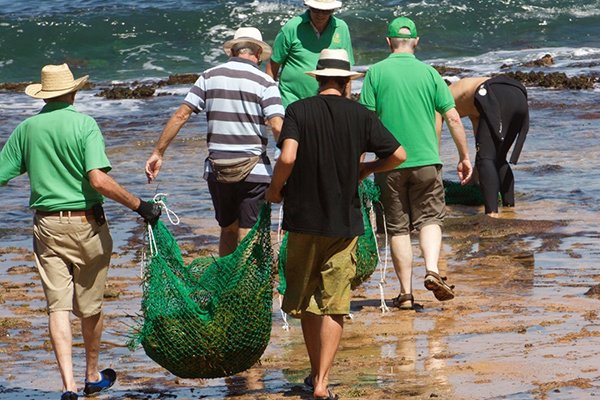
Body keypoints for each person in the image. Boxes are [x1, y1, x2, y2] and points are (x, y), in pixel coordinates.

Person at [0, 63, 161, 400]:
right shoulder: (84, 124)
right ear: (73, 91)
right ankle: (91, 375)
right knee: (89, 306)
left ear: (45, 94)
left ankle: (69, 387)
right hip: (87, 225)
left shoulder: (27, 129)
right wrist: (140, 205)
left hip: (47, 225)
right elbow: (98, 180)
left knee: (57, 308)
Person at [266, 49, 406, 400]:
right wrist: (367, 169)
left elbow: (287, 156)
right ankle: (323, 383)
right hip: (344, 223)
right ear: (347, 83)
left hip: (302, 220)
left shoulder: (298, 110)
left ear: (317, 80)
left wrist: (274, 189)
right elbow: (399, 155)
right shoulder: (361, 115)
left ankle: (314, 374)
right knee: (335, 303)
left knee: (307, 303)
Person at [359, 17, 473, 310]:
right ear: (417, 42)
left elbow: (365, 123)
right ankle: (433, 269)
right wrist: (464, 156)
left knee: (397, 228)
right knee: (430, 219)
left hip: (388, 163)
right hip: (426, 162)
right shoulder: (430, 73)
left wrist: (359, 164)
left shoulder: (375, 73)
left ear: (388, 42)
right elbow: (453, 117)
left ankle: (406, 294)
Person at [145, 27, 284, 257]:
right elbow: (278, 126)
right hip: (255, 171)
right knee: (249, 234)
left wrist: (158, 153)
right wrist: (287, 162)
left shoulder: (209, 76)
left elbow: (181, 115)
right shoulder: (265, 82)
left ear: (233, 51)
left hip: (218, 169)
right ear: (258, 53)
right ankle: (246, 289)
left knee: (228, 229)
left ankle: (227, 287)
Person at [448, 76, 529, 217]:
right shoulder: (469, 99)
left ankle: (491, 215)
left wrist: (462, 157)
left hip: (492, 92)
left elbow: (449, 122)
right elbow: (481, 139)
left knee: (485, 159)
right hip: (518, 92)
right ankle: (509, 210)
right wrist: (475, 177)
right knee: (498, 158)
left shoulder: (439, 99)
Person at [266, 0, 354, 107]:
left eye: (326, 11)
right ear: (308, 7)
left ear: (332, 10)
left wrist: (347, 103)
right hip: (291, 100)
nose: (320, 15)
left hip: (327, 103)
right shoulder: (292, 27)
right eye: (316, 9)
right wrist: (269, 103)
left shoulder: (341, 28)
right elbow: (272, 66)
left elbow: (346, 70)